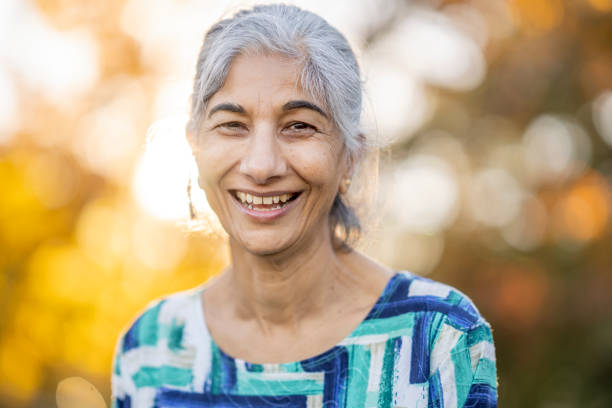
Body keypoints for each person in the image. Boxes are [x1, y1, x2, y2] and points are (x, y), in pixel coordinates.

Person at [111, 4, 497, 407]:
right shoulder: (149, 349)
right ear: (196, 147)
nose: (262, 166)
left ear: (351, 156)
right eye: (232, 125)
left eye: (299, 126)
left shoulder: (438, 336)